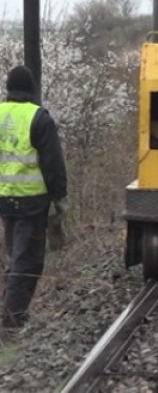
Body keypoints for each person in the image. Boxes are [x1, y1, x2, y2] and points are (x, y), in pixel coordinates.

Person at [0, 65, 68, 332]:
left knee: (15, 256)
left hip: (4, 200)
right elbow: (53, 164)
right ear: (31, 89)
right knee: (27, 261)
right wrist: (59, 198)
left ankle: (10, 312)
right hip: (31, 202)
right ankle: (12, 321)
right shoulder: (38, 118)